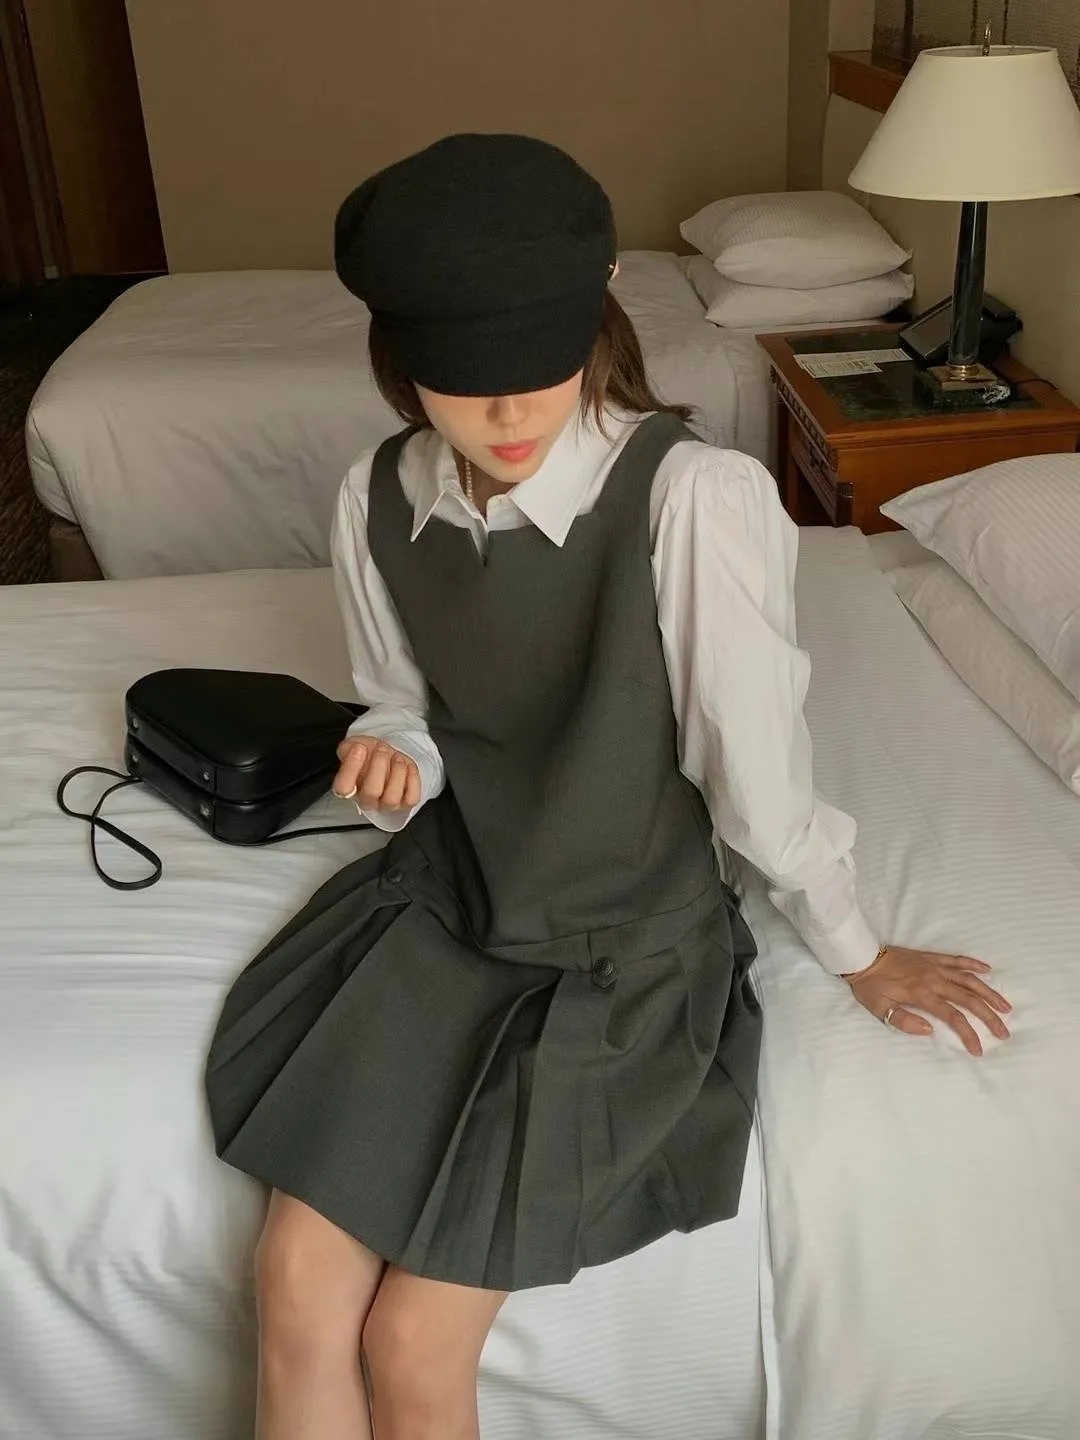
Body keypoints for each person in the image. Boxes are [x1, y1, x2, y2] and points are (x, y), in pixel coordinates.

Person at [205, 134, 1012, 1440]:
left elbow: (755, 782)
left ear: (603, 307)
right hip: (452, 906)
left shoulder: (697, 499)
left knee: (412, 1340)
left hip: (617, 953)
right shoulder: (377, 494)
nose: (508, 418)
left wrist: (858, 951)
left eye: (539, 368)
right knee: (293, 1287)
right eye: (464, 385)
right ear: (399, 362)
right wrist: (394, 750)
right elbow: (404, 693)